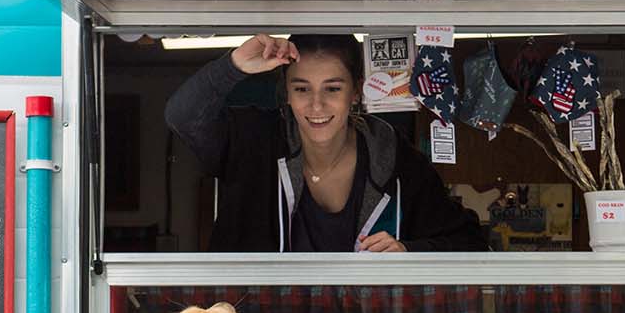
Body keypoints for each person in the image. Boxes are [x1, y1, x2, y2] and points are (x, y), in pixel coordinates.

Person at [166, 33, 486, 253]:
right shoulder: (254, 140)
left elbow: (470, 239)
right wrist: (233, 66)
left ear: (356, 91)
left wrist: (409, 250)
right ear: (286, 93)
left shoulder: (396, 159)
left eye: (332, 89)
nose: (316, 106)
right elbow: (182, 116)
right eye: (302, 89)